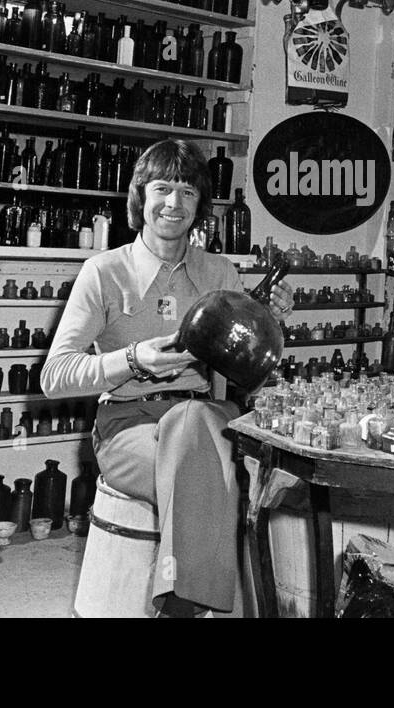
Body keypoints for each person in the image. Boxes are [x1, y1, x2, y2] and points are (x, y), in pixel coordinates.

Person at [41, 138, 293, 616]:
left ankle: (183, 597)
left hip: (210, 418)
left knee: (197, 422)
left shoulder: (221, 271)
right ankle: (194, 606)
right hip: (129, 424)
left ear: (201, 205)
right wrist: (133, 360)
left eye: (188, 192)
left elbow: (251, 379)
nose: (173, 204)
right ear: (141, 197)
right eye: (162, 189)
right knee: (199, 438)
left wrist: (270, 328)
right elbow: (54, 376)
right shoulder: (104, 272)